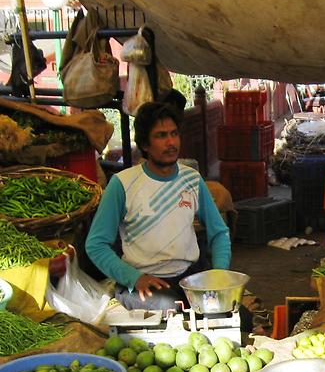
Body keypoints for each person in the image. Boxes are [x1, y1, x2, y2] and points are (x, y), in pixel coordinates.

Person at [86, 101, 232, 311]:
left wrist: (218, 274)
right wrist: (134, 278)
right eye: (161, 135)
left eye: (174, 133)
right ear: (145, 144)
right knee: (175, 312)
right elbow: (96, 244)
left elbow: (219, 233)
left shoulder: (192, 179)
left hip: (190, 278)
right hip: (144, 282)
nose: (171, 142)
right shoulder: (122, 184)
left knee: (234, 316)